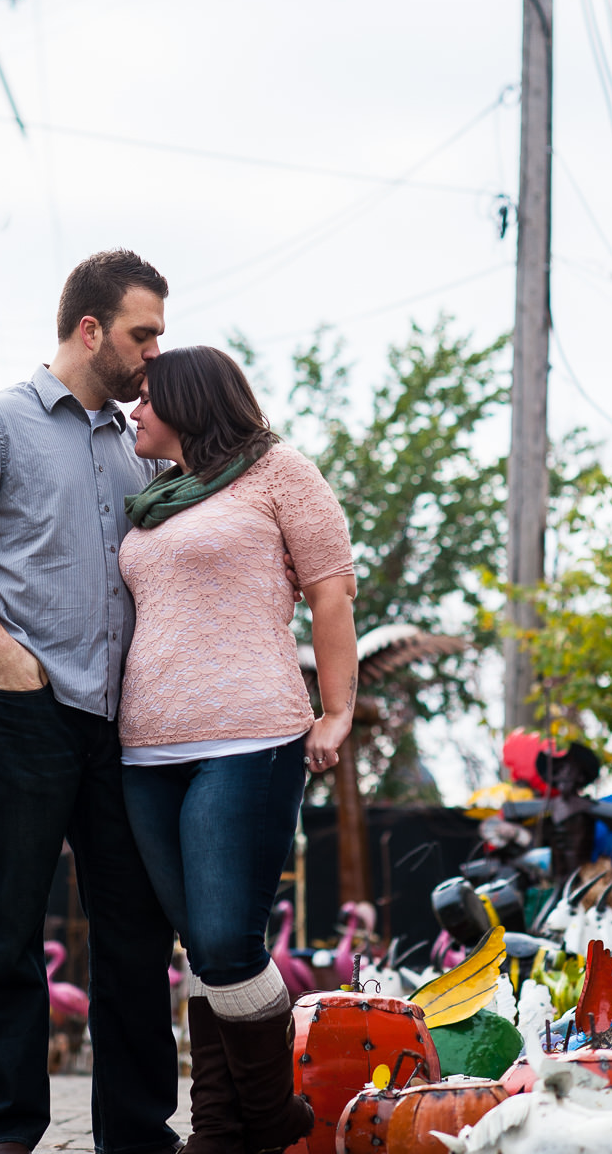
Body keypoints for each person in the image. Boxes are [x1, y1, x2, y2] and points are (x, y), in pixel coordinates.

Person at [0, 250, 182, 1154]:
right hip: (18, 706)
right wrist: (0, 651)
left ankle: (136, 1137)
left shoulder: (141, 446)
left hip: (120, 724)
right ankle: (6, 1137)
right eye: (143, 335)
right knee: (9, 928)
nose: (154, 356)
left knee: (134, 934)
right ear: (90, 330)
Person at [117, 346, 358, 1154]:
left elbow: (331, 591)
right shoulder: (154, 497)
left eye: (146, 397)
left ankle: (267, 1113)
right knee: (205, 952)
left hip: (249, 736)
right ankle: (221, 1128)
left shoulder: (279, 470)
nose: (133, 410)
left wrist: (336, 711)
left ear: (188, 400)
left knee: (225, 940)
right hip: (146, 750)